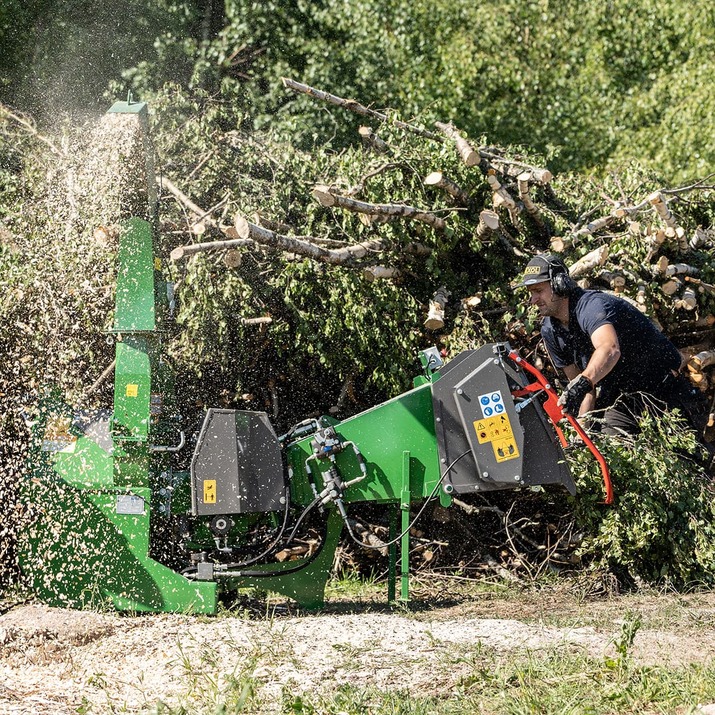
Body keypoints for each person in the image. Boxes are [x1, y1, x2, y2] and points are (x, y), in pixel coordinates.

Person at [519, 253, 709, 439]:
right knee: (614, 449)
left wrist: (583, 382)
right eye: (531, 293)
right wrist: (581, 434)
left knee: (686, 458)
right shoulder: (551, 331)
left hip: (664, 390)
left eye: (538, 291)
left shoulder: (591, 306)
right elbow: (583, 389)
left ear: (559, 285)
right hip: (621, 399)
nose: (533, 300)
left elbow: (609, 349)